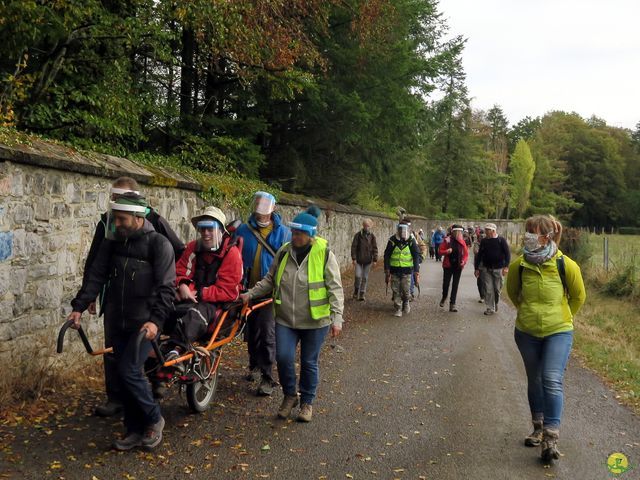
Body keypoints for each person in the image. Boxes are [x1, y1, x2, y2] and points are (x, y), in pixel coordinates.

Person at [67, 194, 176, 451]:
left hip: (143, 325)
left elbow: (166, 289)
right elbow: (96, 275)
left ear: (138, 218)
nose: (116, 223)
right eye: (115, 218)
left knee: (129, 370)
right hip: (118, 321)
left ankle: (153, 418)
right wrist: (79, 307)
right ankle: (133, 429)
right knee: (122, 374)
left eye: (121, 219)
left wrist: (155, 322)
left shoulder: (159, 245)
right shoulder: (112, 242)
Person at [83, 177, 185, 417]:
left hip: (145, 301)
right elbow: (96, 259)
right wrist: (88, 292)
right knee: (113, 350)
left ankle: (152, 396)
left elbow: (176, 250)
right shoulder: (108, 223)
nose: (117, 204)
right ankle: (116, 398)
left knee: (137, 356)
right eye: (114, 199)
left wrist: (168, 281)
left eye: (122, 198)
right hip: (115, 295)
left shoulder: (155, 222)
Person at [240, 206, 344, 423]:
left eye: (300, 233)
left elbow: (335, 288)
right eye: (294, 232)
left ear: (311, 235)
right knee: (284, 357)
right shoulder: (284, 252)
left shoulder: (324, 254)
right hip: (286, 318)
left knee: (308, 362)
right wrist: (250, 294)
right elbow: (270, 280)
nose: (295, 236)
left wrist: (337, 318)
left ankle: (307, 402)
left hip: (315, 321)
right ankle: (289, 396)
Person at [506, 215, 586, 463]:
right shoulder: (520, 265)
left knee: (551, 379)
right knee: (535, 379)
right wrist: (528, 313)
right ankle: (538, 427)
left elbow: (578, 297)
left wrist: (562, 318)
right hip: (527, 333)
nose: (528, 236)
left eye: (534, 232)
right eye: (527, 232)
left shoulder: (566, 265)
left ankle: (551, 437)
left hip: (558, 332)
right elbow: (512, 293)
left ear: (548, 236)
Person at [166, 207, 243, 358]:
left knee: (196, 313)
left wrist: (199, 293)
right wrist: (183, 286)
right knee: (162, 303)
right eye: (202, 229)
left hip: (217, 304)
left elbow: (228, 292)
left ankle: (175, 350)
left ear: (221, 230)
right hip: (192, 297)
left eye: (210, 229)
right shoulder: (193, 247)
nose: (205, 234)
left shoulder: (231, 254)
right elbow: (180, 271)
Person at [236, 192, 291, 396]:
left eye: (265, 204)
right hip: (246, 290)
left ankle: (268, 377)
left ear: (273, 208)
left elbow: (287, 262)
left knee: (267, 332)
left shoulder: (283, 233)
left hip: (269, 292)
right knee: (250, 332)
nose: (261, 207)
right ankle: (254, 365)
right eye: (258, 202)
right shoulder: (242, 230)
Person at [383, 222, 421, 317]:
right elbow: (387, 255)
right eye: (401, 229)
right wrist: (387, 269)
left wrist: (416, 270)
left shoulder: (411, 241)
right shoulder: (392, 240)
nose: (403, 231)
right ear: (398, 229)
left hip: (407, 270)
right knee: (396, 290)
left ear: (407, 229)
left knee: (405, 289)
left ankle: (406, 302)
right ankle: (398, 308)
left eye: (405, 229)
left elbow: (416, 255)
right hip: (395, 269)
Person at [474, 223, 511, 315]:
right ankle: (490, 308)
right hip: (486, 269)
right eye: (486, 229)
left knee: (497, 289)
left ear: (493, 231)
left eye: (488, 230)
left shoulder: (501, 240)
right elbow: (479, 255)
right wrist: (477, 268)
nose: (486, 232)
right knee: (488, 288)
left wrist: (506, 267)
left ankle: (496, 302)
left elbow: (507, 254)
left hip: (499, 268)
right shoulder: (484, 241)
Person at [438, 224, 469, 312]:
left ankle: (452, 304)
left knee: (455, 285)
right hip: (448, 266)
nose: (459, 234)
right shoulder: (447, 240)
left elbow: (466, 254)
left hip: (458, 266)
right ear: (453, 232)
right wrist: (446, 251)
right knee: (446, 284)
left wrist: (464, 261)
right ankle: (444, 297)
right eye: (457, 232)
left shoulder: (462, 241)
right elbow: (440, 251)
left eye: (460, 232)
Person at [350, 218, 378, 302]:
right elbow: (353, 247)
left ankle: (362, 293)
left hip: (368, 260)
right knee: (358, 276)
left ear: (371, 226)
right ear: (363, 226)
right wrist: (354, 258)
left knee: (365, 277)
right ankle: (356, 291)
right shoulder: (358, 235)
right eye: (365, 226)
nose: (366, 227)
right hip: (358, 259)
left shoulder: (372, 236)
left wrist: (375, 259)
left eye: (368, 226)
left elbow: (375, 248)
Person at [472, 226, 486, 303]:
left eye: (483, 237)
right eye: (480, 237)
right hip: (479, 264)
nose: (482, 238)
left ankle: (486, 295)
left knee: (486, 280)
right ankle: (482, 296)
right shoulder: (477, 244)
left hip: (487, 265)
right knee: (480, 281)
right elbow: (476, 252)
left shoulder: (489, 243)